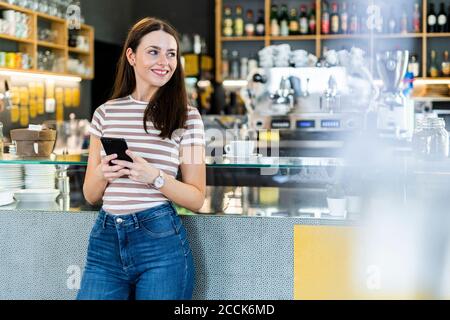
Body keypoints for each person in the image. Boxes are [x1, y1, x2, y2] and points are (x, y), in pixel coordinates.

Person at [77, 17, 206, 300]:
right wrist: (103, 173)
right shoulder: (105, 113)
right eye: (154, 52)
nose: (165, 62)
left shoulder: (189, 117)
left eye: (171, 54)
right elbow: (90, 194)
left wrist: (155, 177)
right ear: (131, 55)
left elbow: (196, 198)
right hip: (106, 239)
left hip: (160, 242)